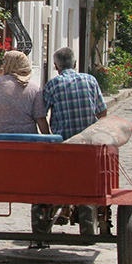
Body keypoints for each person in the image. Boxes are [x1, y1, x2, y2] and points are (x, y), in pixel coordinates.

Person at [38, 47, 109, 237]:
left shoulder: (53, 85)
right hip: (88, 146)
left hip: (63, 144)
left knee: (50, 178)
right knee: (85, 180)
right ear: (75, 64)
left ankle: (43, 225)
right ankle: (86, 221)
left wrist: (49, 136)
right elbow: (102, 112)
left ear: (56, 66)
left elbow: (41, 114)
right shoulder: (90, 80)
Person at [0, 50, 48, 140]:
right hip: (26, 139)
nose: (2, 65)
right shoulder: (34, 88)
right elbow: (40, 118)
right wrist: (49, 139)